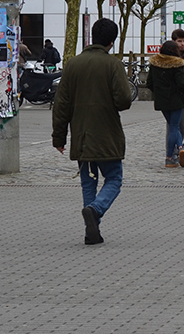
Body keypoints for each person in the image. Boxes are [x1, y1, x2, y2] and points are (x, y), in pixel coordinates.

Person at [51, 18, 133, 245]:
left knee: (88, 182)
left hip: (82, 135)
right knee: (114, 178)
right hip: (107, 133)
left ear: (92, 38)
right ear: (112, 41)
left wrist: (58, 136)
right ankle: (95, 211)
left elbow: (61, 104)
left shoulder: (73, 64)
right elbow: (124, 100)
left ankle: (91, 231)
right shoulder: (113, 65)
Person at [147, 40, 184, 168]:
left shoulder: (155, 64)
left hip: (162, 100)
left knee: (173, 127)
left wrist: (159, 92)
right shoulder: (177, 65)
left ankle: (173, 154)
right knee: (174, 126)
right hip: (176, 100)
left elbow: (149, 83)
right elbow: (181, 84)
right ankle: (172, 155)